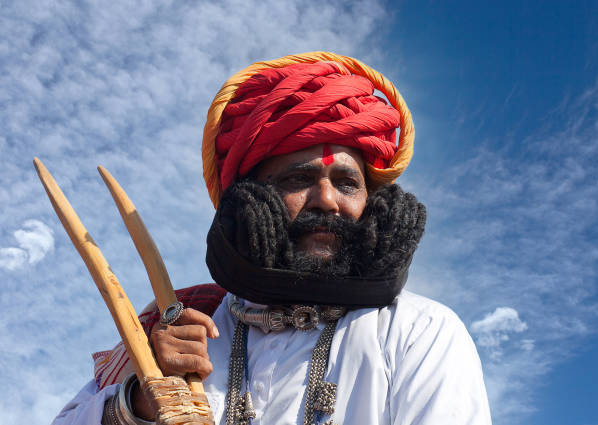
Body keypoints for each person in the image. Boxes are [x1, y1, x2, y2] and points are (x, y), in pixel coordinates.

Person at [52, 52, 492, 425]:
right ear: (250, 200)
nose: (326, 200)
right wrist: (141, 401)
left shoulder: (418, 331)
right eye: (298, 179)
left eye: (347, 183)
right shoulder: (190, 326)